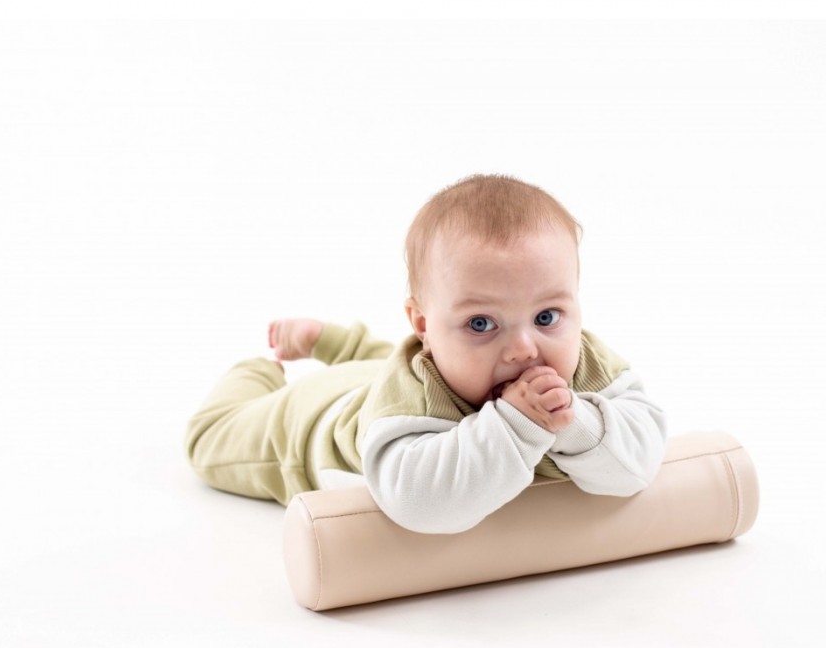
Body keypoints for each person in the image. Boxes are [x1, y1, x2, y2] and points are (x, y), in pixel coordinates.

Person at [184, 174, 668, 533]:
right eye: (481, 324)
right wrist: (519, 425)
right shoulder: (407, 401)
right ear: (423, 327)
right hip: (308, 420)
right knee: (207, 440)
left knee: (383, 364)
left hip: (378, 373)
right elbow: (420, 503)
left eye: (546, 316)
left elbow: (642, 457)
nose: (524, 349)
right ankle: (255, 371)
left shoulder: (588, 362)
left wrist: (576, 420)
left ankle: (331, 342)